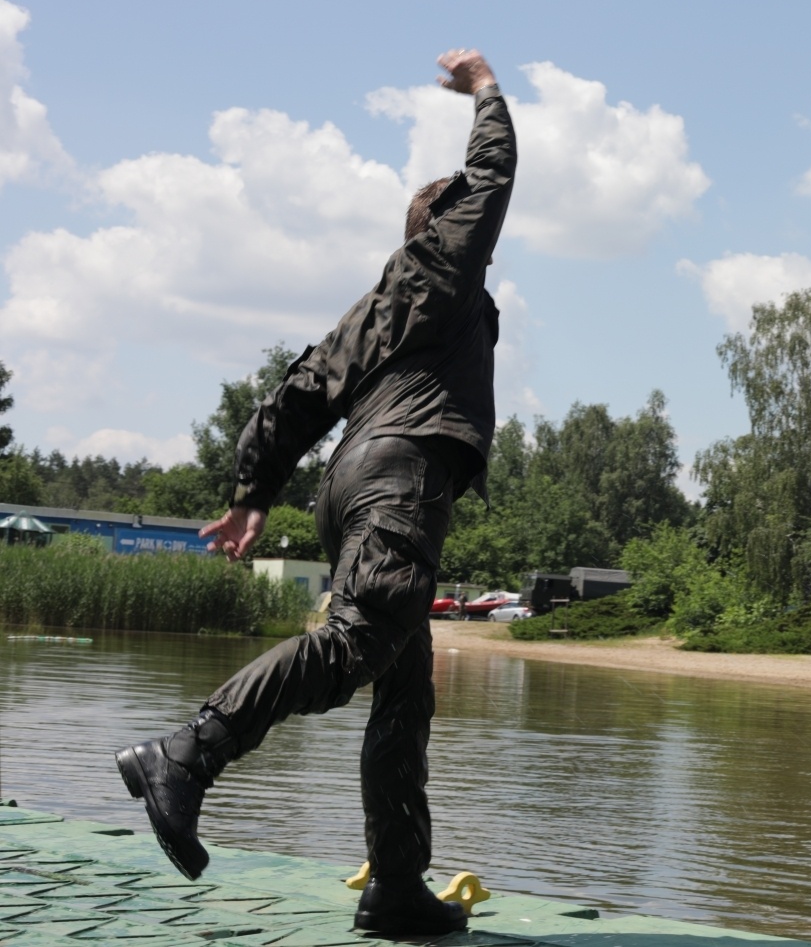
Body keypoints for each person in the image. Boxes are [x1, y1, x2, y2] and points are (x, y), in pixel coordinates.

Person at [113, 50, 515, 937]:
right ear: (444, 225)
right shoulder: (446, 257)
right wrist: (485, 88)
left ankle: (398, 885)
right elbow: (493, 169)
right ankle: (186, 755)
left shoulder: (374, 304)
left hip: (356, 481)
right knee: (356, 642)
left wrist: (254, 490)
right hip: (401, 476)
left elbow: (298, 390)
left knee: (405, 685)